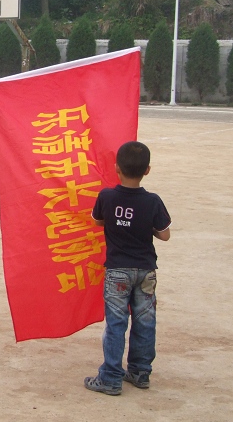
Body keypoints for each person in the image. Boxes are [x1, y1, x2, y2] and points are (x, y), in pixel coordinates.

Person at [84, 141, 171, 396]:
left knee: (116, 324)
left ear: (116, 169)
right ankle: (140, 372)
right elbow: (165, 235)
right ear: (148, 170)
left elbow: (97, 220)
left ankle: (111, 376)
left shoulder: (107, 196)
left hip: (117, 271)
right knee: (145, 322)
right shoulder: (153, 201)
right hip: (145, 270)